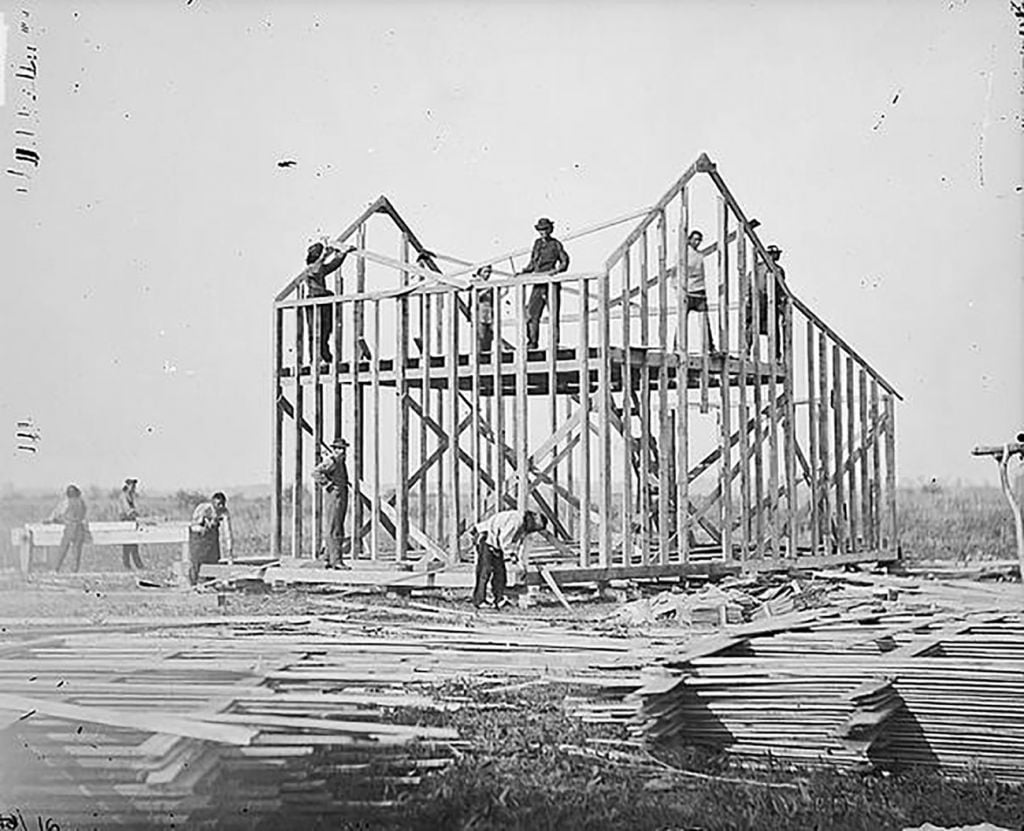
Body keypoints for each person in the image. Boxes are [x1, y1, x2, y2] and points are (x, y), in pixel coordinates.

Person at [469, 509, 547, 609]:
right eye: (536, 527)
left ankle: (498, 600)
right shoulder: (516, 521)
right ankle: (479, 601)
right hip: (486, 538)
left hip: (496, 543)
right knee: (484, 572)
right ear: (533, 519)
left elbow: (522, 547)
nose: (534, 529)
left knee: (500, 574)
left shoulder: (525, 526)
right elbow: (504, 540)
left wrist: (522, 565)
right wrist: (511, 555)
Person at [520, 217, 570, 349]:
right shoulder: (537, 244)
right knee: (531, 313)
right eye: (541, 230)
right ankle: (532, 342)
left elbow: (565, 262)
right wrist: (524, 271)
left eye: (545, 229)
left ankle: (554, 343)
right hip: (538, 283)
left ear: (550, 230)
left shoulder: (555, 244)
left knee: (553, 314)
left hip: (551, 284)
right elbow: (532, 263)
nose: (543, 232)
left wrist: (555, 271)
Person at [303, 241, 355, 364]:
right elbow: (316, 268)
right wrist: (325, 255)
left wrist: (342, 254)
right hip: (314, 301)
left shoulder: (320, 268)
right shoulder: (310, 269)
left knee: (326, 330)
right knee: (316, 331)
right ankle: (315, 359)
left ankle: (325, 355)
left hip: (323, 300)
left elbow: (333, 265)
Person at [312, 437, 352, 569]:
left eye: (343, 449)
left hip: (341, 496)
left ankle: (329, 558)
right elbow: (316, 472)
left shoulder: (341, 462)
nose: (342, 451)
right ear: (334, 450)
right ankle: (336, 561)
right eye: (339, 449)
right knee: (334, 528)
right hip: (334, 496)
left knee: (338, 526)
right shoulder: (332, 461)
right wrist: (328, 485)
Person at [675, 229, 716, 353]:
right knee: (681, 321)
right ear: (689, 240)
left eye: (699, 240)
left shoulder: (699, 254)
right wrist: (678, 289)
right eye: (695, 239)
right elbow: (674, 273)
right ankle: (677, 346)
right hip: (687, 291)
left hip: (699, 291)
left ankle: (710, 346)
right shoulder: (683, 253)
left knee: (704, 320)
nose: (697, 242)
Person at [746, 244, 786, 359]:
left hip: (771, 301)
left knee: (773, 328)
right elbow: (749, 283)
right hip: (759, 298)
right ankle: (747, 352)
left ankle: (776, 356)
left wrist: (782, 305)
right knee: (753, 325)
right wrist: (748, 299)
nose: (777, 256)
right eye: (775, 254)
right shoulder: (758, 268)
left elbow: (781, 289)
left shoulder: (778, 270)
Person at [188, 492, 233, 585]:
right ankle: (194, 584)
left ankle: (210, 583)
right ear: (212, 503)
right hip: (199, 538)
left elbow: (227, 531)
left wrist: (229, 549)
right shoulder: (203, 509)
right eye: (218, 504)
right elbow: (194, 525)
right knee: (197, 561)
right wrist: (205, 525)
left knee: (213, 560)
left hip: (212, 538)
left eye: (222, 504)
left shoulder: (224, 512)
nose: (220, 506)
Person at [48, 484, 88, 573]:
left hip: (70, 526)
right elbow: (83, 513)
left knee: (63, 549)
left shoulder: (66, 502)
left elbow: (58, 513)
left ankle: (56, 569)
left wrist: (53, 519)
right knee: (76, 551)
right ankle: (74, 570)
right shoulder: (81, 502)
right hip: (79, 527)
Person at [119, 477, 145, 570]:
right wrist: (134, 513)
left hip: (131, 520)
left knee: (134, 544)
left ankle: (137, 565)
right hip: (126, 520)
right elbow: (127, 510)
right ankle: (128, 565)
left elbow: (136, 508)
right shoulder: (123, 496)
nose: (134, 488)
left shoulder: (131, 495)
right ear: (128, 485)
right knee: (127, 544)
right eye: (132, 486)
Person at [473, 265, 496, 353]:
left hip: (489, 314)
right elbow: (475, 297)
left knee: (489, 336)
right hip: (479, 314)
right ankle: (480, 356)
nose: (487, 274)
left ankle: (486, 356)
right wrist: (486, 290)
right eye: (485, 272)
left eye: (489, 272)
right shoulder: (477, 282)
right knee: (480, 336)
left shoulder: (488, 284)